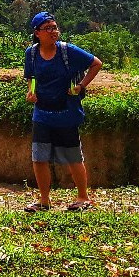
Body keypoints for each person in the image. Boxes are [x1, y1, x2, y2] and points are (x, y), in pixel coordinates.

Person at [22, 11, 102, 212]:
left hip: (66, 113)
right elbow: (31, 77)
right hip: (42, 113)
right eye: (47, 28)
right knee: (39, 158)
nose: (53, 32)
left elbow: (96, 63)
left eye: (54, 27)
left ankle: (83, 197)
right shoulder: (31, 54)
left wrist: (81, 86)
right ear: (37, 33)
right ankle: (44, 200)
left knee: (73, 156)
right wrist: (31, 92)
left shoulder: (68, 51)